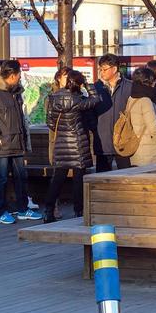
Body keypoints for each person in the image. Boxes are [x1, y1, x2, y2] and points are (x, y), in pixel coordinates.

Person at [0, 60, 37, 222]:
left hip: (17, 143)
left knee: (21, 177)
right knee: (1, 179)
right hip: (1, 145)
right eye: (19, 75)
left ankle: (23, 208)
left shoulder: (15, 93)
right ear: (12, 75)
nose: (20, 78)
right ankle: (0, 211)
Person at [43, 68, 98, 222]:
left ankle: (48, 210)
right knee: (78, 179)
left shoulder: (53, 98)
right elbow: (96, 99)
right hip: (78, 143)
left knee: (58, 178)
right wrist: (88, 84)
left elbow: (50, 122)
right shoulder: (78, 100)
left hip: (61, 143)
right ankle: (78, 211)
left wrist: (62, 131)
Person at [91, 54, 132, 171]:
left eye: (104, 69)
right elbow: (90, 112)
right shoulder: (95, 88)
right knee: (101, 179)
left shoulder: (129, 86)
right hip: (102, 140)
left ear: (114, 69)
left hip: (124, 140)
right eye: (100, 69)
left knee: (126, 176)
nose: (101, 73)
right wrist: (95, 127)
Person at [123, 64, 156, 168]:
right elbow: (154, 127)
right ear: (149, 82)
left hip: (136, 149)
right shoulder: (146, 101)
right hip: (151, 152)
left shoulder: (131, 99)